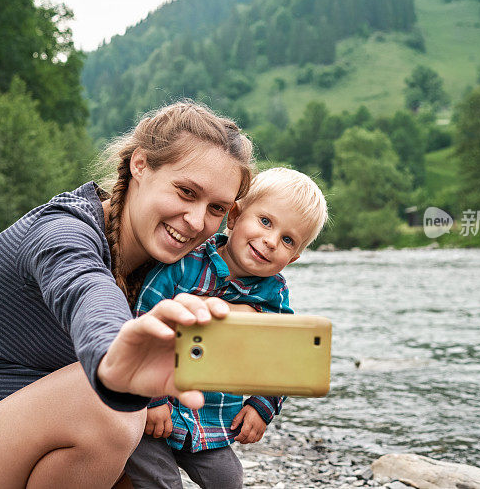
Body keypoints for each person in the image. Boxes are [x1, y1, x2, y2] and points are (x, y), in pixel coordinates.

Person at [0, 101, 254, 489]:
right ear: (140, 165)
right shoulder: (62, 233)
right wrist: (119, 355)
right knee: (110, 411)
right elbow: (86, 292)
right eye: (186, 192)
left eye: (216, 208)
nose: (197, 221)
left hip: (30, 462)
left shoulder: (167, 270)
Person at [123, 167, 328, 489]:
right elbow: (142, 323)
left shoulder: (274, 294)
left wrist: (261, 407)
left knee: (230, 480)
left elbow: (288, 358)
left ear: (294, 257)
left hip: (212, 421)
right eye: (265, 221)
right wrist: (152, 400)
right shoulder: (184, 264)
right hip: (156, 410)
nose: (271, 241)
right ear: (234, 216)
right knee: (160, 480)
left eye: (288, 240)